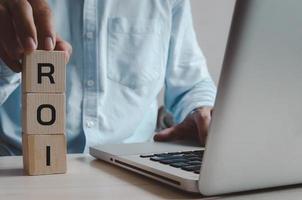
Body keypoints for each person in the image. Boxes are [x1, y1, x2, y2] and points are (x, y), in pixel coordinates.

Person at [0, 0, 216, 155]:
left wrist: (200, 109)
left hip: (133, 164)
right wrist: (5, 59)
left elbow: (192, 83)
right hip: (15, 165)